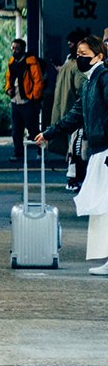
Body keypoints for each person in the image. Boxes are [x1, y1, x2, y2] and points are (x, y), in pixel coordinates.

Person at [37, 35, 108, 272]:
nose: (80, 59)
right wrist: (49, 133)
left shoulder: (104, 79)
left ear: (98, 57)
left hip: (106, 151)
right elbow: (74, 116)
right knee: (101, 207)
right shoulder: (88, 84)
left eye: (84, 55)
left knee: (103, 206)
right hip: (99, 152)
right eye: (78, 55)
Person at [51, 28, 90, 191]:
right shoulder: (78, 66)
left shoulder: (68, 64)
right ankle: (74, 178)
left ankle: (73, 177)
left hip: (65, 111)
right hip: (76, 114)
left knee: (73, 146)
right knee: (77, 147)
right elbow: (82, 90)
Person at [6, 38, 46, 161]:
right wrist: (8, 89)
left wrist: (33, 97)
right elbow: (8, 78)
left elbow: (38, 81)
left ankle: (41, 151)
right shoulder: (12, 62)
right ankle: (18, 153)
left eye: (17, 48)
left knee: (33, 129)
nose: (14, 51)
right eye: (13, 48)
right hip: (15, 100)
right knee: (16, 130)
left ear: (23, 49)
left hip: (28, 101)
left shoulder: (31, 62)